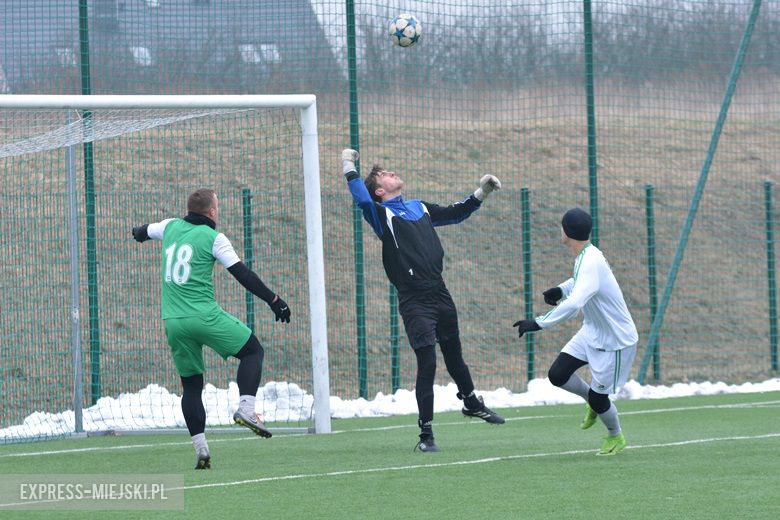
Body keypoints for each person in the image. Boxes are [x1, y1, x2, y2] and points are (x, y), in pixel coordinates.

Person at [341, 148, 505, 453]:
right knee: (427, 362)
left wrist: (481, 192)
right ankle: (426, 435)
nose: (391, 173)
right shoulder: (382, 214)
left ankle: (471, 402)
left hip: (440, 292)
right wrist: (348, 165)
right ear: (379, 191)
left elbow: (455, 213)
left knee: (454, 354)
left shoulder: (419, 207)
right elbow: (362, 200)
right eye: (384, 174)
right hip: (415, 300)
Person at [132, 188, 291, 469]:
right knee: (252, 351)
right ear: (213, 212)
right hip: (204, 317)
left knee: (191, 386)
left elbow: (142, 231)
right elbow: (243, 274)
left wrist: (138, 232)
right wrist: (274, 300)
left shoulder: (170, 226)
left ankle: (201, 449)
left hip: (173, 322)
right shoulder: (214, 238)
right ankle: (246, 409)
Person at [513, 207, 638, 456]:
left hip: (615, 341)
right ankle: (592, 400)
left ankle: (616, 436)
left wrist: (538, 323)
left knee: (600, 399)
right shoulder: (586, 255)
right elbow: (580, 284)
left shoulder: (590, 259)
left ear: (567, 232)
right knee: (558, 374)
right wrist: (560, 290)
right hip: (592, 331)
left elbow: (574, 304)